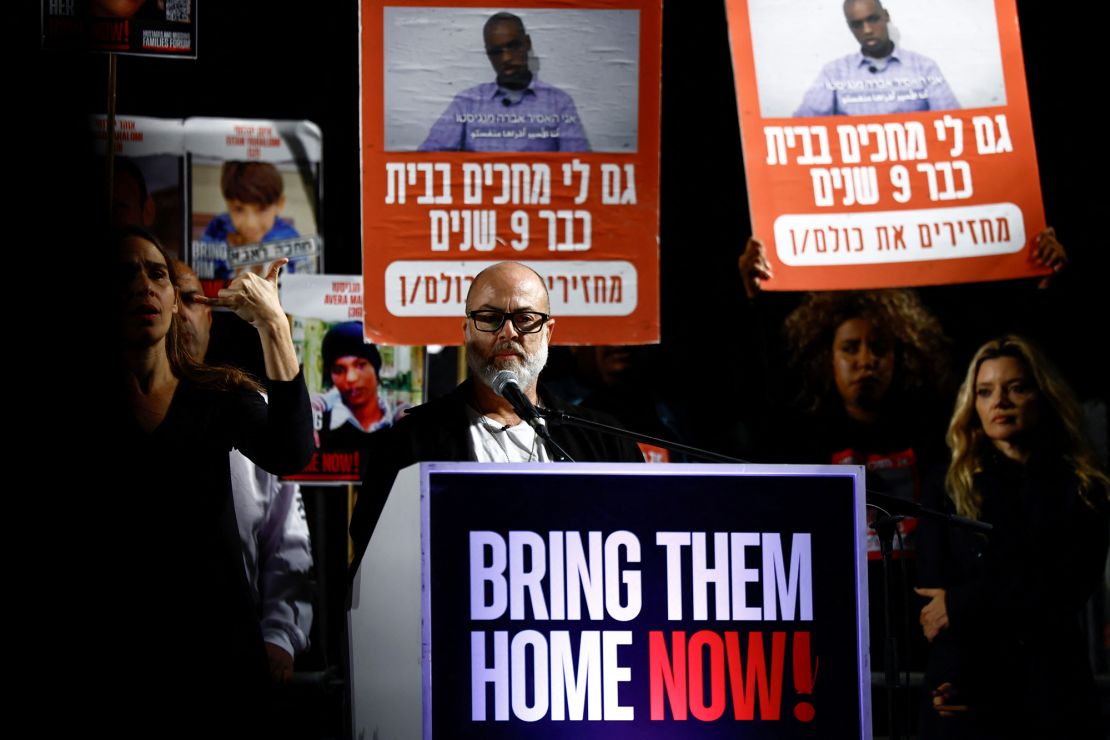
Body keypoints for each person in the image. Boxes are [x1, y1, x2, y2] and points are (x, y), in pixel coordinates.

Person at [114, 227, 313, 728]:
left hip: (220, 666)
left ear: (176, 302)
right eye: (123, 274)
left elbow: (292, 452)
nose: (144, 285)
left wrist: (274, 326)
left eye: (157, 273)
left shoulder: (215, 395)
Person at [350, 262, 642, 562]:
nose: (508, 333)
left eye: (525, 319)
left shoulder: (605, 442)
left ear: (548, 332)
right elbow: (376, 558)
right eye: (490, 318)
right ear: (466, 331)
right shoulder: (409, 444)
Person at [915, 336, 1109, 740]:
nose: (999, 401)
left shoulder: (1085, 486)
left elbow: (1064, 589)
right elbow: (933, 605)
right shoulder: (947, 484)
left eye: (1016, 387)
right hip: (970, 690)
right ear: (973, 404)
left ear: (1044, 396)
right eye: (985, 391)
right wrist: (950, 676)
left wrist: (964, 600)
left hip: (1054, 693)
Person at [175, 260, 315, 684]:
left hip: (234, 653)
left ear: (209, 317)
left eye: (190, 298)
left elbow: (286, 542)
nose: (180, 311)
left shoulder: (240, 406)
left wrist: (279, 636)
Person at [418, 12, 590, 152]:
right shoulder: (467, 103)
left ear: (527, 43)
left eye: (513, 46)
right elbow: (426, 160)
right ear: (488, 54)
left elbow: (579, 168)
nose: (506, 58)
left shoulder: (558, 103)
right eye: (496, 52)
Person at [794, 0, 959, 117]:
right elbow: (801, 128)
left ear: (886, 16)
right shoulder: (834, 73)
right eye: (857, 24)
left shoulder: (923, 68)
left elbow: (953, 123)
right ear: (850, 27)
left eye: (872, 19)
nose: (867, 30)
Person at [313, 321, 404, 451]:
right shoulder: (320, 425)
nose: (351, 378)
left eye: (360, 365)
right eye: (339, 370)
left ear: (376, 367)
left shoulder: (395, 421)